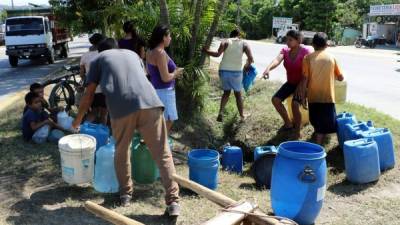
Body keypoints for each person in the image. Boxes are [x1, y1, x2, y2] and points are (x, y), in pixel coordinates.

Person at [71, 38, 180, 215]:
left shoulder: (98, 59)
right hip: (151, 103)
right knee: (163, 153)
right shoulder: (133, 55)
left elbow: (89, 94)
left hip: (122, 108)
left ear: (100, 50)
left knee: (122, 150)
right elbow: (143, 79)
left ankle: (126, 194)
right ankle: (173, 202)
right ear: (117, 48)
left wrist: (77, 120)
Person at [262, 30, 312, 139]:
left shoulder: (305, 51)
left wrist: (303, 88)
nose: (287, 42)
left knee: (295, 104)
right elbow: (277, 59)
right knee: (275, 100)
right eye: (287, 39)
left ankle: (297, 131)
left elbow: (309, 71)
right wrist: (268, 69)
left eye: (290, 40)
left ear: (298, 41)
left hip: (303, 83)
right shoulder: (285, 50)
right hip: (291, 83)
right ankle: (288, 123)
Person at [301, 32, 344, 145]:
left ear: (313, 45)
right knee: (327, 122)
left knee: (316, 121)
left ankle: (318, 139)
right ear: (326, 45)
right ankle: (318, 146)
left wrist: (303, 96)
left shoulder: (307, 58)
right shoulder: (332, 58)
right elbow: (340, 77)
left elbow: (305, 79)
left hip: (313, 96)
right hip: (327, 97)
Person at [203, 28, 254, 122]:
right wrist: (246, 66)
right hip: (237, 72)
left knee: (226, 93)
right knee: (238, 95)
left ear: (231, 35)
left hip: (224, 71)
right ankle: (242, 115)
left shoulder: (225, 42)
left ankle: (220, 113)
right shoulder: (244, 44)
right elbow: (251, 58)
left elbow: (217, 54)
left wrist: (206, 51)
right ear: (239, 35)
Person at [146, 25, 184, 134]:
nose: (170, 38)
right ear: (163, 37)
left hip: (155, 90)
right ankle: (161, 145)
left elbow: (149, 72)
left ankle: (157, 144)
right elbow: (165, 78)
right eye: (169, 36)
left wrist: (174, 71)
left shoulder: (151, 51)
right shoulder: (160, 52)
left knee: (159, 121)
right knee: (168, 120)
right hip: (165, 92)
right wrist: (175, 73)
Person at [80, 33, 108, 125]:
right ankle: (102, 133)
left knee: (94, 112)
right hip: (104, 88)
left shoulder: (84, 56)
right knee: (104, 113)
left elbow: (82, 74)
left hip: (92, 89)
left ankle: (85, 129)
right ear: (101, 42)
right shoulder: (104, 54)